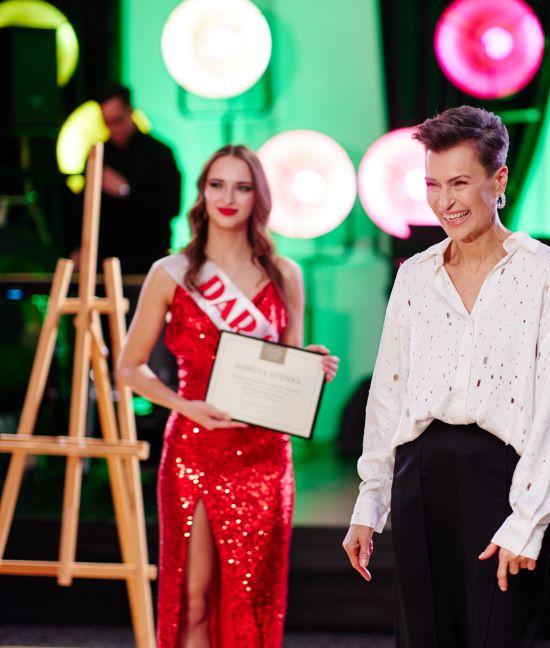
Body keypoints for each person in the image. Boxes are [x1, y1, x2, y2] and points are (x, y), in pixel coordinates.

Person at [342, 106, 550, 647]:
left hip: (502, 478)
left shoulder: (545, 271)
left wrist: (529, 519)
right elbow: (388, 395)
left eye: (459, 183)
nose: (444, 201)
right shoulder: (415, 276)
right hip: (421, 476)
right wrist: (370, 503)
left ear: (499, 180)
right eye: (432, 184)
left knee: (501, 633)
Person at [117, 145, 339, 647]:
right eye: (217, 185)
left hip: (263, 455)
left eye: (242, 187)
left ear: (258, 197)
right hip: (193, 448)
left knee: (251, 599)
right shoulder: (170, 273)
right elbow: (128, 368)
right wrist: (184, 406)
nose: (228, 197)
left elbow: (287, 359)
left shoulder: (285, 273)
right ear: (202, 193)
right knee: (193, 595)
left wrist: (311, 367)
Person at [91, 82, 182, 274]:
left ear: (130, 111)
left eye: (118, 120)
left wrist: (126, 191)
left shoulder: (160, 153)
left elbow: (171, 206)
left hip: (148, 261)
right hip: (105, 263)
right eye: (107, 122)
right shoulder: (99, 156)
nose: (113, 129)